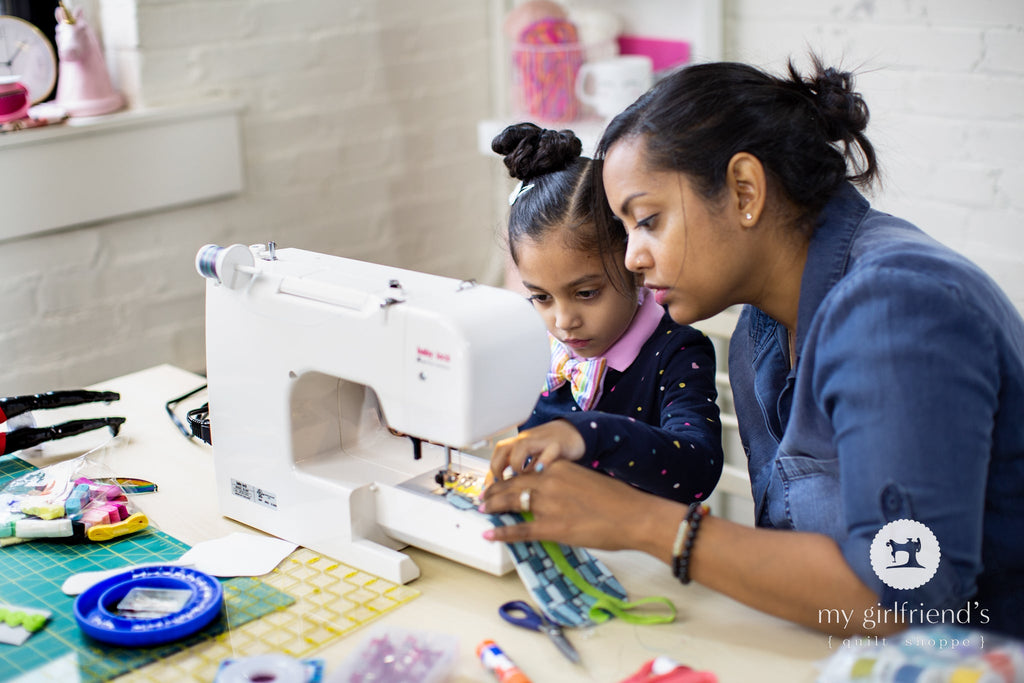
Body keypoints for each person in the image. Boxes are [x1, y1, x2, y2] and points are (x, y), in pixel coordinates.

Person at [480, 58, 1024, 638]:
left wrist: (643, 523)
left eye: (647, 221)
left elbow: (910, 600)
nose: (633, 258)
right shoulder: (761, 333)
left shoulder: (896, 311)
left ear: (744, 190)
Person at [488, 122, 722, 505]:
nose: (563, 322)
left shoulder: (677, 352)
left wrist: (589, 433)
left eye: (585, 293)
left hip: (641, 555)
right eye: (542, 298)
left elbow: (698, 470)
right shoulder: (538, 343)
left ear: (633, 264)